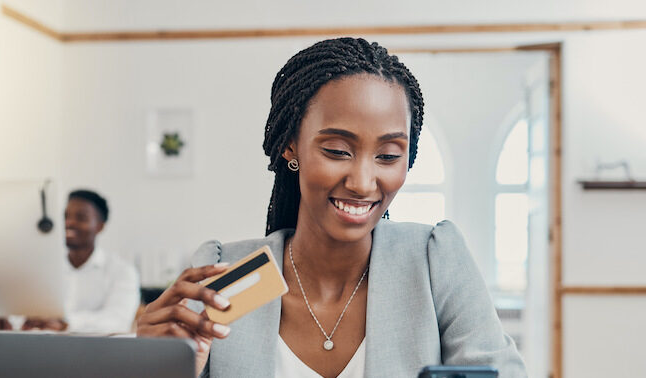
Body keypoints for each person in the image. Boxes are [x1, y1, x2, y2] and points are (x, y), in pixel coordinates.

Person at [137, 38, 527, 377]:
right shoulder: (228, 275)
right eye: (337, 151)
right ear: (291, 145)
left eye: (389, 156)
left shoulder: (432, 263)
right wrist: (152, 368)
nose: (362, 182)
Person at [0, 189, 140, 334]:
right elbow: (22, 310)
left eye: (81, 217)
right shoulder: (42, 267)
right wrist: (7, 320)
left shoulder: (122, 271)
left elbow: (117, 322)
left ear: (100, 226)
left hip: (94, 355)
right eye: (65, 216)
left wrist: (65, 323)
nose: (69, 223)